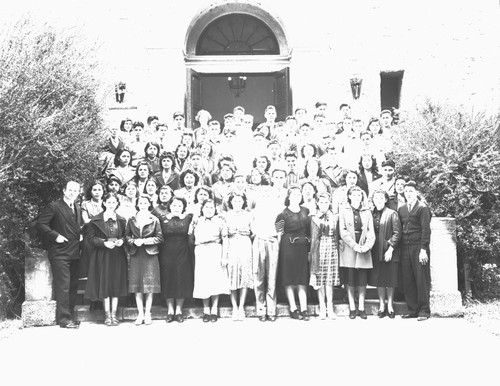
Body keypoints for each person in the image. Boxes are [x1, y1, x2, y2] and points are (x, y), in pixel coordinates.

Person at [36, 181, 83, 328]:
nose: (72, 193)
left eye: (75, 191)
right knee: (63, 286)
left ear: (78, 192)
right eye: (70, 190)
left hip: (74, 251)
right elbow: (41, 224)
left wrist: (79, 234)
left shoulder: (77, 207)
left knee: (73, 285)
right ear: (64, 190)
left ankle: (70, 316)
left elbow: (74, 226)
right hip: (59, 252)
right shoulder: (54, 206)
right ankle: (64, 320)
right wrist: (56, 236)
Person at [84, 193, 128, 326]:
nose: (111, 205)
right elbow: (90, 238)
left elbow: (126, 236)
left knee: (115, 284)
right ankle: (107, 315)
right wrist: (103, 243)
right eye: (109, 202)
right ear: (104, 203)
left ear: (117, 204)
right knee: (105, 284)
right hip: (102, 256)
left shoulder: (121, 220)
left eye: (114, 202)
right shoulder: (96, 220)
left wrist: (122, 241)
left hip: (117, 255)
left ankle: (114, 314)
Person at [252, 168, 287, 322]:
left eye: (268, 192)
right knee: (259, 277)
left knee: (272, 277)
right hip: (259, 241)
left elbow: (280, 227)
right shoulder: (254, 210)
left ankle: (271, 309)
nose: (266, 194)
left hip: (273, 242)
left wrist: (277, 240)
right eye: (263, 192)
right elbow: (251, 228)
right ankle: (261, 309)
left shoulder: (277, 209)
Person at [189, 199, 230, 322]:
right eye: (206, 207)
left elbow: (225, 239)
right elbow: (190, 234)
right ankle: (206, 309)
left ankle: (214, 309)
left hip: (215, 249)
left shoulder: (220, 221)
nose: (209, 210)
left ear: (215, 209)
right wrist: (193, 222)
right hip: (201, 250)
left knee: (215, 280)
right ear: (202, 209)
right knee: (204, 280)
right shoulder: (197, 221)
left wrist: (224, 257)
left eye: (211, 207)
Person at [339, 186, 375, 319]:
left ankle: (361, 307)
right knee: (350, 280)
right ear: (349, 196)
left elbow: (371, 232)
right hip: (349, 248)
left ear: (362, 197)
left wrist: (366, 246)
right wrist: (354, 246)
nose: (356, 197)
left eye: (359, 195)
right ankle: (352, 307)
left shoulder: (367, 211)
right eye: (353, 195)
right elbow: (342, 231)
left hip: (363, 248)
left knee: (361, 280)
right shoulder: (343, 210)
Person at [275, 185, 311, 321]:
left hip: (303, 248)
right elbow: (279, 234)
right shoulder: (282, 214)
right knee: (289, 277)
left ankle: (304, 308)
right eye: (293, 194)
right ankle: (293, 307)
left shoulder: (306, 211)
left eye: (299, 194)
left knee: (302, 278)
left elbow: (309, 230)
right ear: (288, 197)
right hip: (288, 248)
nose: (297, 196)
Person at [126, 195, 163, 325]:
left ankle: (148, 313)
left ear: (149, 204)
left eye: (145, 202)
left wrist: (145, 241)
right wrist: (134, 242)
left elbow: (159, 238)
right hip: (136, 254)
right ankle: (140, 314)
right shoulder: (131, 219)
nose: (142, 204)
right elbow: (127, 236)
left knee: (149, 285)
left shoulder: (154, 219)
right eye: (140, 202)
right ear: (137, 204)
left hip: (150, 255)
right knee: (137, 285)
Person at [398, 181, 432, 321]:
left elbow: (426, 230)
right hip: (405, 247)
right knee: (408, 279)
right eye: (406, 192)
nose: (409, 194)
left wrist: (423, 249)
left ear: (416, 192)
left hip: (418, 247)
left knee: (421, 279)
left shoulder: (422, 208)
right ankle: (412, 309)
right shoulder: (402, 209)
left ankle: (424, 310)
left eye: (411, 191)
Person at [159, 196, 194, 323]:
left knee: (181, 279)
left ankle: (179, 310)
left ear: (183, 207)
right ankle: (170, 310)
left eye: (179, 205)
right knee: (168, 279)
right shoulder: (162, 219)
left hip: (183, 253)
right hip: (166, 253)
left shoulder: (188, 218)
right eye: (174, 205)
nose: (177, 208)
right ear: (170, 206)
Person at [368, 189, 401, 319]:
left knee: (390, 279)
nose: (379, 200)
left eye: (381, 198)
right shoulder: (370, 214)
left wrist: (390, 249)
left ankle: (390, 306)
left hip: (389, 250)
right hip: (375, 250)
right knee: (379, 279)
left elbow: (397, 233)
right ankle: (382, 305)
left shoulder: (392, 214)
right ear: (373, 200)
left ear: (386, 199)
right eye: (376, 198)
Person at [309, 193, 340, 319]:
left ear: (329, 203)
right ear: (317, 203)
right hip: (318, 247)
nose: (324, 205)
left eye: (326, 202)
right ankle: (322, 307)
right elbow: (312, 236)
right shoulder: (313, 218)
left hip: (331, 246)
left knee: (330, 278)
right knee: (319, 277)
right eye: (321, 202)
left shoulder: (334, 217)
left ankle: (330, 307)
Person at [224, 191, 254, 320]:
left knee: (244, 275)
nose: (237, 203)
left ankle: (241, 306)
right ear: (231, 202)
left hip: (244, 245)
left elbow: (253, 233)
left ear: (243, 202)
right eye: (235, 201)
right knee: (232, 274)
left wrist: (246, 232)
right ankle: (234, 307)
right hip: (231, 245)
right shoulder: (225, 215)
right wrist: (229, 232)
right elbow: (222, 233)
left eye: (240, 201)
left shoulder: (248, 215)